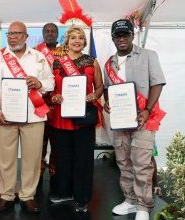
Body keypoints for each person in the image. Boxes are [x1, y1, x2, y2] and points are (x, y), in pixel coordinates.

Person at [0, 21, 54, 213]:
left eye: (17, 33)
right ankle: (6, 196)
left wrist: (40, 84)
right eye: (10, 34)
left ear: (26, 36)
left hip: (34, 117)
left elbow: (51, 82)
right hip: (5, 117)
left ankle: (27, 196)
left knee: (32, 158)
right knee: (6, 159)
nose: (12, 37)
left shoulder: (38, 57)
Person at [103, 19, 166, 220]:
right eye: (117, 36)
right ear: (113, 38)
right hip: (121, 121)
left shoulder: (148, 55)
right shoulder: (109, 63)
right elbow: (107, 89)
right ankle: (129, 200)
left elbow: (157, 83)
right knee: (123, 162)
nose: (121, 39)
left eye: (125, 35)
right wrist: (107, 102)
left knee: (141, 163)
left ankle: (143, 206)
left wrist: (147, 109)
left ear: (132, 36)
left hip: (143, 119)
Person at [48, 26, 103, 213]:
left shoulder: (92, 62)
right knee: (62, 158)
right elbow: (51, 88)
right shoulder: (56, 62)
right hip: (61, 118)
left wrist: (94, 96)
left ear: (85, 42)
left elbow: (100, 88)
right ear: (66, 41)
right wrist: (54, 96)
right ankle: (64, 192)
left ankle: (82, 197)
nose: (77, 41)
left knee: (83, 159)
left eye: (81, 38)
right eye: (73, 38)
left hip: (83, 118)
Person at [35, 22, 67, 190]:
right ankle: (38, 174)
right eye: (46, 31)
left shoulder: (65, 52)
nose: (49, 33)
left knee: (57, 142)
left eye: (53, 31)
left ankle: (55, 172)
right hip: (39, 104)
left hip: (59, 105)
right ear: (43, 33)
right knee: (39, 141)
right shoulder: (34, 51)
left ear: (57, 33)